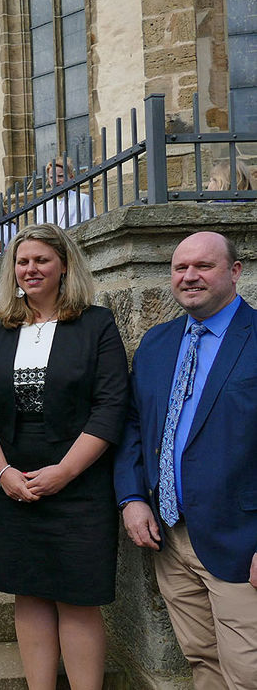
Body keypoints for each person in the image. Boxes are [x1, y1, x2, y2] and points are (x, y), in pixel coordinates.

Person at [0, 223, 129, 690]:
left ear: (63, 265)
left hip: (79, 479)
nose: (30, 269)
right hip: (12, 479)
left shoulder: (95, 323)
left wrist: (64, 472)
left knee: (78, 597)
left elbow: (111, 406)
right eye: (22, 261)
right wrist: (2, 472)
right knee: (29, 593)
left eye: (41, 260)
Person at [114, 231, 257, 689]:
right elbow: (133, 424)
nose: (189, 276)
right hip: (171, 540)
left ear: (235, 272)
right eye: (180, 268)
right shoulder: (157, 343)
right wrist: (132, 497)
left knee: (248, 671)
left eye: (203, 266)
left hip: (241, 543)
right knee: (202, 662)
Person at [34, 157, 96, 229]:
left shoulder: (83, 200)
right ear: (48, 179)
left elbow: (91, 226)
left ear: (71, 177)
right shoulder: (42, 206)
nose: (56, 181)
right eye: (52, 177)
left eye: (61, 176)